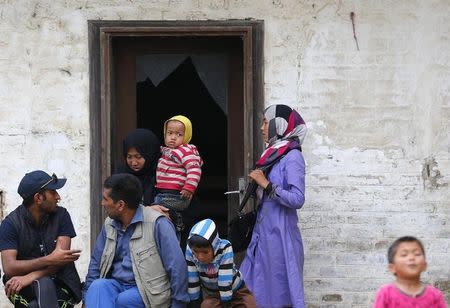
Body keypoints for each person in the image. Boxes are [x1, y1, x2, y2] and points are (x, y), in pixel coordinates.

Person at [83, 173, 190, 308]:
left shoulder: (158, 224)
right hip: (117, 286)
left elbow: (177, 267)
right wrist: (87, 299)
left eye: (105, 199)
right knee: (97, 286)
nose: (102, 203)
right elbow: (95, 264)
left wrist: (178, 305)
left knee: (124, 300)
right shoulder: (109, 224)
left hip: (148, 292)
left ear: (120, 205)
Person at [239, 104, 307, 308]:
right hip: (263, 232)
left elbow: (297, 199)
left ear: (280, 125)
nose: (261, 128)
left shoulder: (293, 156)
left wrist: (266, 185)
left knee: (277, 293)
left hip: (280, 235)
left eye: (266, 122)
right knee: (251, 286)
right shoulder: (273, 153)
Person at [0, 170, 82, 308]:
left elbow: (60, 260)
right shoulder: (11, 224)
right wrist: (49, 259)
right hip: (21, 284)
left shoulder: (62, 215)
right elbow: (9, 267)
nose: (58, 197)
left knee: (42, 302)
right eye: (53, 192)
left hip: (61, 279)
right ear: (38, 198)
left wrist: (31, 276)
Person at [185, 218, 256, 308]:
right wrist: (194, 301)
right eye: (196, 252)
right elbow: (192, 278)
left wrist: (226, 304)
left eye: (205, 252)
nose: (200, 257)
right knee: (206, 306)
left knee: (250, 304)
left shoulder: (224, 248)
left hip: (237, 290)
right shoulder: (190, 251)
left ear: (214, 246)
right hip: (215, 295)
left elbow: (224, 279)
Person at [155, 115, 203, 235]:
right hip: (166, 192)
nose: (173, 137)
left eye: (179, 134)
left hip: (176, 194)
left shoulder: (186, 151)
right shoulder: (167, 152)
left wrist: (189, 188)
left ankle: (178, 220)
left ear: (186, 136)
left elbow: (194, 169)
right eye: (170, 133)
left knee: (157, 207)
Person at [373, 236, 447, 308]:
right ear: (392, 268)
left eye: (417, 254)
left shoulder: (435, 295)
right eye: (404, 255)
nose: (411, 258)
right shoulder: (385, 294)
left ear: (424, 265)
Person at [117, 128, 161, 206]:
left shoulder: (163, 175)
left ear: (150, 154)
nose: (134, 163)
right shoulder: (120, 175)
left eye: (139, 157)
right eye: (129, 157)